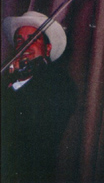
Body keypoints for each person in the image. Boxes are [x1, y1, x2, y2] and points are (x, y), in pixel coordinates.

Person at [1, 11, 77, 182]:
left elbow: (34, 135)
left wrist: (18, 80)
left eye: (33, 39)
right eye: (19, 40)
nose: (24, 45)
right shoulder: (5, 82)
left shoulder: (60, 84)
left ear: (47, 49)